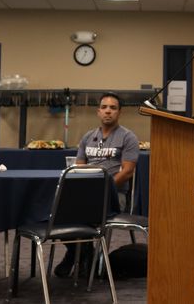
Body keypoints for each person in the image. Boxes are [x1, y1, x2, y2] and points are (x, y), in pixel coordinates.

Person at [54, 92, 139, 278]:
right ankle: (83, 253)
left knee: (75, 211)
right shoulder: (87, 137)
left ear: (119, 112)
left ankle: (75, 255)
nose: (108, 111)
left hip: (115, 197)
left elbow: (127, 172)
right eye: (104, 107)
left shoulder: (128, 137)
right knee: (56, 210)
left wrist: (103, 189)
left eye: (113, 108)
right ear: (98, 112)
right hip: (86, 194)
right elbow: (78, 168)